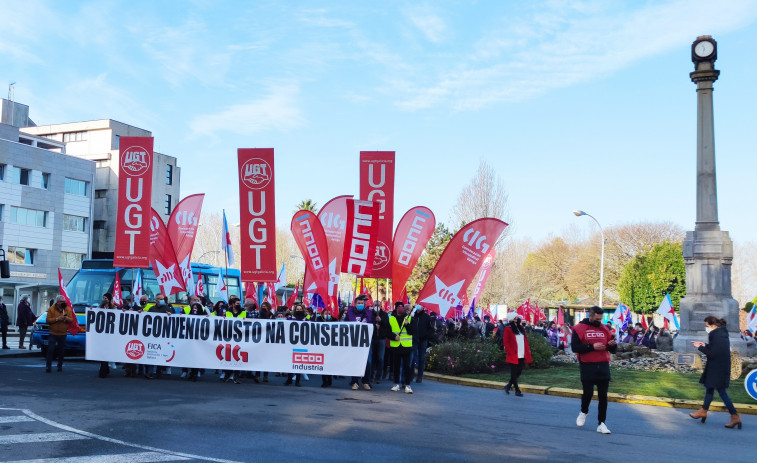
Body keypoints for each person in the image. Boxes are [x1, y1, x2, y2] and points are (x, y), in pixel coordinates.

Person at [689, 316, 742, 429]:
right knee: (710, 389)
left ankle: (735, 416)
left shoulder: (715, 335)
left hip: (717, 369)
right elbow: (717, 349)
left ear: (712, 325)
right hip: (719, 367)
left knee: (721, 392)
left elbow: (712, 353)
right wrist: (704, 344)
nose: (706, 328)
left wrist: (699, 348)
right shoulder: (721, 334)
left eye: (707, 326)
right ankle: (703, 411)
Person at [572, 306, 617, 434]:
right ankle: (584, 411)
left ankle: (601, 423)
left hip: (603, 364)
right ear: (590, 316)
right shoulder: (579, 328)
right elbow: (575, 347)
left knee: (603, 396)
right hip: (587, 365)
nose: (599, 321)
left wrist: (613, 345)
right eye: (596, 319)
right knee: (588, 393)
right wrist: (591, 347)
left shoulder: (604, 328)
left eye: (600, 319)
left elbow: (612, 348)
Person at [345, 294, 373, 390]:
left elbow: (372, 323)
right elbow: (344, 325)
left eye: (362, 303)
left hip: (366, 341)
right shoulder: (349, 313)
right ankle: (355, 381)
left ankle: (365, 381)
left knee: (368, 362)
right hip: (354, 341)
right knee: (355, 361)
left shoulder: (369, 313)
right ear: (355, 304)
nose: (360, 304)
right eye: (359, 303)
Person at [502, 312, 532, 397]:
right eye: (515, 318)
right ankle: (517, 390)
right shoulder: (508, 329)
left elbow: (524, 340)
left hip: (522, 353)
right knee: (514, 373)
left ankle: (508, 386)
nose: (516, 319)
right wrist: (510, 351)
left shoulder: (520, 328)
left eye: (517, 318)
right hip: (513, 354)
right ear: (511, 319)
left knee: (518, 372)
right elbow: (506, 342)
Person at [389, 302, 414, 393]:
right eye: (399, 307)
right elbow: (388, 331)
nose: (400, 308)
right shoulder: (391, 318)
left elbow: (412, 331)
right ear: (395, 308)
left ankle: (407, 385)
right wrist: (393, 337)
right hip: (396, 346)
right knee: (396, 366)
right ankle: (396, 384)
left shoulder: (409, 318)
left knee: (407, 366)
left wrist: (407, 324)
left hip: (406, 346)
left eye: (402, 307)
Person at [45, 296, 75, 373]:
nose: (63, 303)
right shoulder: (51, 309)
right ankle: (48, 366)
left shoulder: (67, 309)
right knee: (50, 350)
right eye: (62, 302)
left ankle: (60, 366)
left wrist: (66, 318)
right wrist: (57, 319)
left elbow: (71, 319)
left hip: (63, 333)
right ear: (57, 302)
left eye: (64, 302)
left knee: (61, 350)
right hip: (53, 333)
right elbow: (48, 320)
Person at [371, 300, 390, 384]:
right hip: (372, 338)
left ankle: (378, 376)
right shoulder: (370, 313)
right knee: (372, 358)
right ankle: (370, 375)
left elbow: (387, 326)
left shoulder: (384, 314)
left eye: (378, 304)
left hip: (381, 339)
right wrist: (374, 326)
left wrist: (381, 321)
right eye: (375, 304)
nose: (377, 306)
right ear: (373, 305)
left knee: (380, 358)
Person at [412, 305, 432, 383]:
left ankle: (419, 376)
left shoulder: (427, 317)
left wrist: (426, 336)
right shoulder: (413, 316)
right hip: (414, 340)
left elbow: (430, 329)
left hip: (423, 340)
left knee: (421, 359)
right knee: (412, 358)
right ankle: (412, 374)